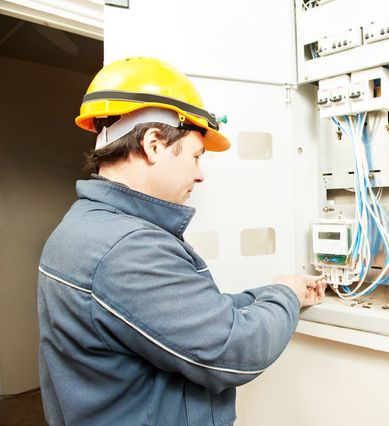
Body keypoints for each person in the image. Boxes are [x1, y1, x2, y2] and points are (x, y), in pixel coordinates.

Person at [37, 57, 326, 426]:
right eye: (196, 156)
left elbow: (181, 315)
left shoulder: (85, 227)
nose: (200, 175)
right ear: (154, 145)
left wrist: (271, 292)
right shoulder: (129, 248)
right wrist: (285, 296)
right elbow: (233, 350)